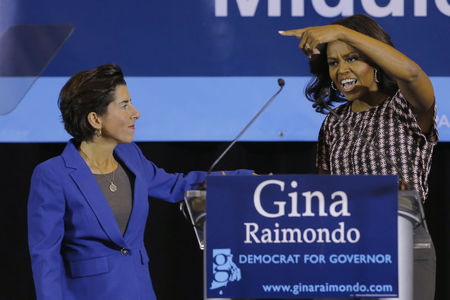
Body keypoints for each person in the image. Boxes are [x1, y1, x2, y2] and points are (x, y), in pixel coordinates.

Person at [27, 64, 252, 300]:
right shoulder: (52, 175)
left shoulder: (131, 156)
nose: (136, 113)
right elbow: (45, 257)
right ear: (95, 119)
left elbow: (177, 186)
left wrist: (242, 181)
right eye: (124, 105)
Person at [279, 14, 437, 300]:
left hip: (400, 240)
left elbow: (412, 75)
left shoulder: (404, 106)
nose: (341, 71)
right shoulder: (333, 123)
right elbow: (325, 197)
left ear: (376, 62)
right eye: (333, 62)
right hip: (346, 248)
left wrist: (341, 31)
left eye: (352, 58)